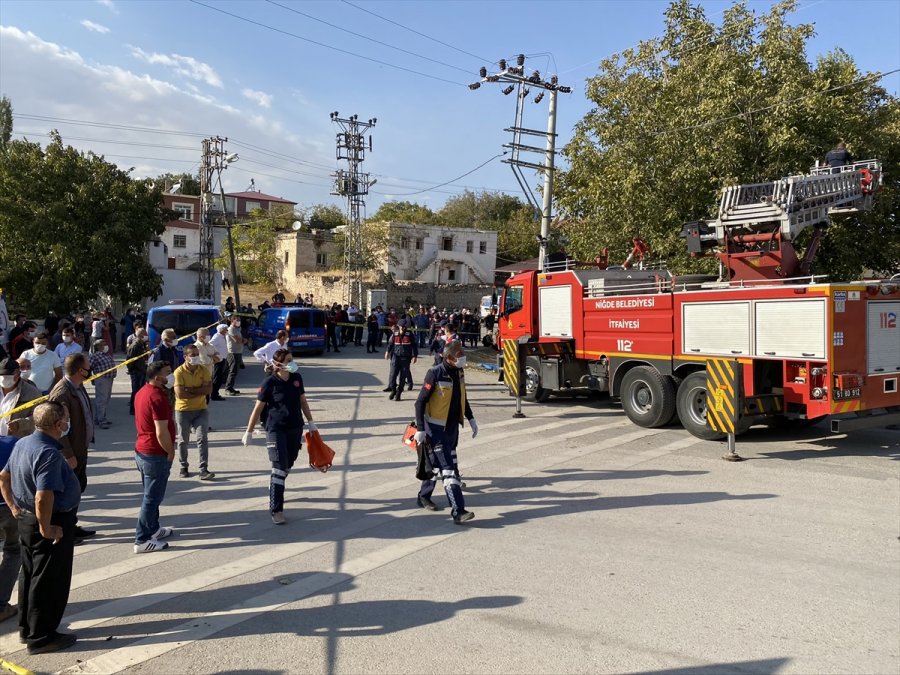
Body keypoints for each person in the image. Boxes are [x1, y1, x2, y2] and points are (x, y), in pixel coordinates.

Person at [0, 402, 81, 654]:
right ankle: (42, 637)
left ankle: (28, 629)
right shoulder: (47, 453)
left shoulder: (23, 443)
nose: (68, 423)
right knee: (48, 581)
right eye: (66, 419)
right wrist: (47, 528)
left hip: (26, 519)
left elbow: (4, 477)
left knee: (30, 575)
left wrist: (14, 508)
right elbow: (43, 497)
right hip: (48, 522)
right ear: (58, 424)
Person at [242, 348, 317, 524]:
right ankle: (276, 510)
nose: (292, 363)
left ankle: (276, 483)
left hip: (295, 427)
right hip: (275, 429)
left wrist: (311, 422)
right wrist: (249, 431)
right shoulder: (269, 383)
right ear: (278, 364)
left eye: (292, 359)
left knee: (288, 463)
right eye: (288, 360)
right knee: (278, 465)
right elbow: (258, 408)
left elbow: (303, 401)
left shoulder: (297, 379)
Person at [413, 340, 478, 524]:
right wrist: (420, 429)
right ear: (448, 357)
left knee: (435, 465)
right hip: (435, 430)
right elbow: (419, 402)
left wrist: (471, 418)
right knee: (449, 470)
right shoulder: (434, 373)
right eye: (459, 355)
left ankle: (423, 496)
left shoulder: (459, 372)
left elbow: (462, 397)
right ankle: (458, 510)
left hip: (452, 428)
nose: (463, 358)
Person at [47, 353, 96, 543]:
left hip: (80, 448)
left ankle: (72, 525)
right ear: (79, 371)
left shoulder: (78, 386)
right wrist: (67, 453)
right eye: (87, 367)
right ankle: (65, 530)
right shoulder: (62, 392)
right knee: (67, 492)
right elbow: (58, 427)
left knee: (77, 488)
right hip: (71, 453)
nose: (90, 370)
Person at [132, 361, 176, 553]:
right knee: (152, 498)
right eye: (168, 373)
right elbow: (161, 431)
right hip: (155, 453)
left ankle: (153, 528)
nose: (171, 375)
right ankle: (141, 540)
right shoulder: (157, 397)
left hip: (142, 451)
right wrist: (171, 451)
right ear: (158, 377)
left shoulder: (143, 391)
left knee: (151, 495)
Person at [173, 344, 213, 480]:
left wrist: (189, 390)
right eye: (193, 355)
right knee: (183, 440)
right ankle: (183, 466)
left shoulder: (203, 370)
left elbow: (208, 390)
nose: (196, 357)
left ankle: (203, 469)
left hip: (201, 409)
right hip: (183, 410)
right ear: (185, 357)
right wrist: (198, 391)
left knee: (202, 438)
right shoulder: (179, 372)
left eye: (197, 354)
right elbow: (180, 394)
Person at [384, 319, 418, 401]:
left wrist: (415, 356)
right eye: (401, 327)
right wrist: (387, 352)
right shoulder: (395, 334)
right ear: (398, 326)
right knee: (392, 375)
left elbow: (414, 346)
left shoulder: (410, 334)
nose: (402, 328)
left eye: (404, 327)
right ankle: (393, 390)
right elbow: (391, 344)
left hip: (405, 358)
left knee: (402, 377)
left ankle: (399, 392)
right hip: (396, 357)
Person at [88, 338, 116, 429]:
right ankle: (101, 420)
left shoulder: (107, 355)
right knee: (101, 400)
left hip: (109, 378)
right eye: (103, 344)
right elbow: (89, 367)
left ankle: (99, 417)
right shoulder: (95, 356)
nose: (106, 345)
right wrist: (91, 378)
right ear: (98, 346)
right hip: (101, 379)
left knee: (106, 399)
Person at [126, 326, 149, 415]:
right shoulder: (135, 345)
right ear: (141, 335)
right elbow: (130, 360)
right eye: (145, 334)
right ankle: (133, 409)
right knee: (136, 391)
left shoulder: (141, 344)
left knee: (140, 390)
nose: (147, 335)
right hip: (136, 371)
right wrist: (131, 370)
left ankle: (138, 408)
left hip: (142, 370)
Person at [194, 326, 221, 397]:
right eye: (207, 335)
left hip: (209, 376)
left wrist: (211, 356)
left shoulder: (210, 345)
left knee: (207, 398)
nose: (209, 336)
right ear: (200, 337)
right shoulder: (197, 347)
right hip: (200, 377)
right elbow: (205, 360)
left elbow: (220, 357)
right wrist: (214, 357)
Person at [224, 316, 245, 396]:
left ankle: (231, 387)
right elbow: (238, 340)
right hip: (233, 352)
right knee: (232, 371)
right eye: (237, 320)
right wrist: (243, 340)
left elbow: (241, 340)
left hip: (238, 352)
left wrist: (243, 340)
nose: (239, 322)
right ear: (232, 321)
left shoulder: (237, 329)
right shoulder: (231, 329)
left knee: (236, 371)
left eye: (239, 320)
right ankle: (228, 388)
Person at [209, 324, 229, 401]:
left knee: (220, 377)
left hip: (223, 359)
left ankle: (215, 393)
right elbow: (210, 344)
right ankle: (214, 394)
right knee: (217, 377)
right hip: (218, 360)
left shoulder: (222, 336)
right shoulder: (217, 337)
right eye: (226, 329)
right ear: (222, 330)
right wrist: (214, 354)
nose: (227, 331)